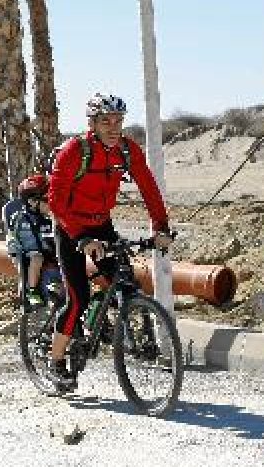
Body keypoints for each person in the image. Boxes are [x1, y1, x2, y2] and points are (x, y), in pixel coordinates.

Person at [44, 93, 173, 389]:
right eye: (106, 121)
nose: (114, 127)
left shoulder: (127, 150)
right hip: (70, 227)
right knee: (78, 297)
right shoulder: (75, 151)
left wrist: (161, 227)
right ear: (92, 123)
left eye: (118, 121)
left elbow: (149, 188)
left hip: (102, 223)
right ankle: (55, 361)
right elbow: (56, 202)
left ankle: (105, 328)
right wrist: (81, 238)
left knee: (125, 281)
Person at [4, 173, 56, 309]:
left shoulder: (48, 218)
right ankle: (32, 291)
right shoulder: (20, 219)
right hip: (26, 252)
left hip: (46, 250)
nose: (51, 204)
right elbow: (16, 238)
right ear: (32, 202)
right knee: (37, 258)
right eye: (47, 200)